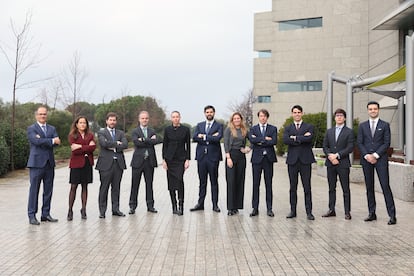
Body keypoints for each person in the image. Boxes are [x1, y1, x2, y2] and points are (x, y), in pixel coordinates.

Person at [357, 101, 396, 225]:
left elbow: (386, 142)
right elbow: (360, 142)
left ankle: (392, 215)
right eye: (370, 109)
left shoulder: (385, 125)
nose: (373, 111)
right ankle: (372, 213)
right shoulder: (362, 126)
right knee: (369, 187)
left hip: (380, 160)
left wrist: (375, 155)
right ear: (368, 111)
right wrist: (367, 155)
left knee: (385, 186)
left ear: (378, 110)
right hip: (366, 160)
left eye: (375, 109)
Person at [27, 106, 61, 225]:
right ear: (36, 115)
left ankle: (45, 214)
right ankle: (32, 215)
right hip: (36, 164)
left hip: (49, 164)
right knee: (34, 190)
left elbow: (57, 142)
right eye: (40, 114)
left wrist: (45, 140)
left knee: (48, 190)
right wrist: (51, 141)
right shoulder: (32, 128)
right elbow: (36, 141)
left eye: (44, 114)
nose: (43, 116)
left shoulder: (52, 128)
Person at [283, 105, 316, 220]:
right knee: (293, 187)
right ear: (292, 114)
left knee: (307, 187)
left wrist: (295, 138)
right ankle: (293, 211)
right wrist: (301, 137)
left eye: (298, 112)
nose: (297, 114)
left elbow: (309, 139)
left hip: (305, 160)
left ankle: (309, 212)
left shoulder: (309, 126)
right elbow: (285, 140)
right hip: (292, 161)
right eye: (295, 112)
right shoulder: (288, 127)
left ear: (302, 113)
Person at [322, 108, 354, 220]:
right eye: (337, 115)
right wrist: (330, 156)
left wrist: (337, 155)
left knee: (345, 188)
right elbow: (325, 146)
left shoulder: (349, 131)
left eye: (341, 115)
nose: (339, 117)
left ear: (344, 118)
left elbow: (350, 147)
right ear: (334, 118)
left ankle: (347, 212)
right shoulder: (329, 131)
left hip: (343, 163)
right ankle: (331, 210)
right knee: (331, 188)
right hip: (331, 163)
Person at [190, 105, 223, 213]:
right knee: (202, 182)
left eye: (211, 112)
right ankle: (200, 204)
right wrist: (210, 137)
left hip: (213, 157)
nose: (209, 114)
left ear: (214, 113)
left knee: (214, 181)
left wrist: (203, 136)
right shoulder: (199, 125)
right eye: (207, 112)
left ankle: (215, 205)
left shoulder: (219, 125)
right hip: (202, 158)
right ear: (204, 113)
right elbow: (194, 137)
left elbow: (218, 138)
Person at [95, 112, 128, 218]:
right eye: (110, 120)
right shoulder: (101, 132)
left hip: (118, 164)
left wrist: (113, 144)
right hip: (105, 164)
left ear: (116, 121)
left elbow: (125, 145)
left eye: (114, 120)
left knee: (116, 188)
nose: (112, 122)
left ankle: (115, 209)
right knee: (104, 188)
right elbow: (103, 144)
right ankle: (102, 211)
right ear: (106, 121)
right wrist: (117, 144)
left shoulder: (121, 133)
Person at [129, 111, 162, 215]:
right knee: (135, 185)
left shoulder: (152, 130)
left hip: (149, 162)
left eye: (146, 118)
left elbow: (157, 141)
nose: (144, 120)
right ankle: (132, 206)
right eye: (142, 118)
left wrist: (143, 139)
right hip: (138, 162)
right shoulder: (135, 131)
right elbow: (136, 142)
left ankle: (150, 206)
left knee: (149, 184)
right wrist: (148, 140)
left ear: (148, 119)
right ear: (139, 119)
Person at [248, 109, 277, 217]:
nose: (263, 118)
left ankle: (269, 208)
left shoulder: (273, 128)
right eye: (261, 116)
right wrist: (266, 139)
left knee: (268, 184)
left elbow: (274, 141)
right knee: (256, 184)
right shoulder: (253, 129)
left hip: (268, 159)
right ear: (258, 117)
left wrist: (259, 140)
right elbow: (252, 140)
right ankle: (255, 208)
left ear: (267, 117)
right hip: (256, 159)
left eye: (264, 116)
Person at [67, 116, 96, 221]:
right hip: (76, 165)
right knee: (73, 187)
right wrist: (86, 147)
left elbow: (93, 148)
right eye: (81, 122)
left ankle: (83, 209)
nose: (83, 124)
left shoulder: (90, 135)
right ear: (76, 124)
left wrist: (80, 146)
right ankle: (70, 210)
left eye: (84, 123)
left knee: (85, 187)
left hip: (87, 164)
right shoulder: (72, 136)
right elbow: (75, 151)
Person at [162, 111, 191, 215]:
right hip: (169, 159)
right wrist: (164, 160)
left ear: (180, 118)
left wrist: (187, 159)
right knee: (171, 184)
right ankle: (173, 205)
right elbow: (164, 145)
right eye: (173, 117)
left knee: (179, 181)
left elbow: (188, 145)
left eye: (177, 117)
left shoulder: (185, 130)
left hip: (180, 159)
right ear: (171, 118)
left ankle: (181, 205)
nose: (175, 119)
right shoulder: (167, 130)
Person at [224, 112, 250, 216]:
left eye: (238, 118)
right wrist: (228, 157)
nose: (236, 120)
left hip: (241, 156)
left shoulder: (244, 130)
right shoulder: (228, 130)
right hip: (231, 155)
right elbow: (225, 143)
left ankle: (237, 206)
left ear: (241, 119)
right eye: (234, 119)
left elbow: (252, 139)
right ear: (232, 120)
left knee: (239, 181)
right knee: (231, 181)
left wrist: (248, 148)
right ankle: (230, 208)